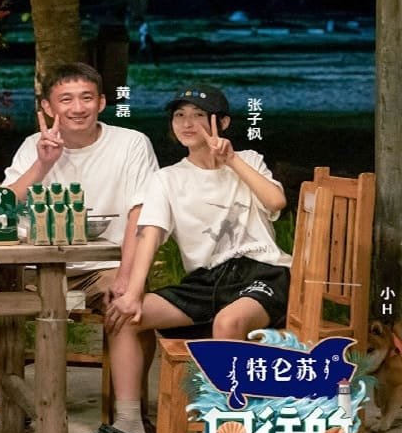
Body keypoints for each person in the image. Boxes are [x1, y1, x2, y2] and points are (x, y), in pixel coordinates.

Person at [0, 62, 159, 433]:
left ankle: (129, 420)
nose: (77, 108)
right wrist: (43, 164)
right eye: (66, 99)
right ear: (47, 106)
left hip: (102, 265)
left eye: (86, 98)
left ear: (102, 102)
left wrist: (127, 277)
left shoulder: (131, 143)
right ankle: (6, 397)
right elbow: (4, 206)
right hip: (34, 264)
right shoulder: (34, 145)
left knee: (129, 303)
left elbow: (141, 214)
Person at [110, 86, 289, 344]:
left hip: (263, 272)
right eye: (179, 115)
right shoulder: (166, 178)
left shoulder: (248, 160)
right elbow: (149, 236)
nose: (187, 123)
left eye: (198, 115)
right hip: (206, 280)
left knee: (228, 322)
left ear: (223, 122)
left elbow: (276, 202)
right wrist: (133, 294)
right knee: (124, 317)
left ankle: (225, 373)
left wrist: (231, 160)